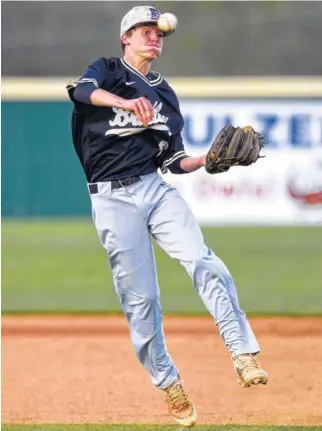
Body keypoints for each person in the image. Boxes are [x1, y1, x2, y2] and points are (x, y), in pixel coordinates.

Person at [66, 5, 268, 428]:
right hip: (110, 199)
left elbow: (172, 160)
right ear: (126, 37)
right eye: (144, 30)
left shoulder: (165, 96)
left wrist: (205, 161)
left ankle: (242, 352)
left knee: (202, 261)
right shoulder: (104, 70)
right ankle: (169, 383)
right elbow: (80, 93)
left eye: (157, 32)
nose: (153, 36)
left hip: (154, 189)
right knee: (142, 302)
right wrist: (124, 100)